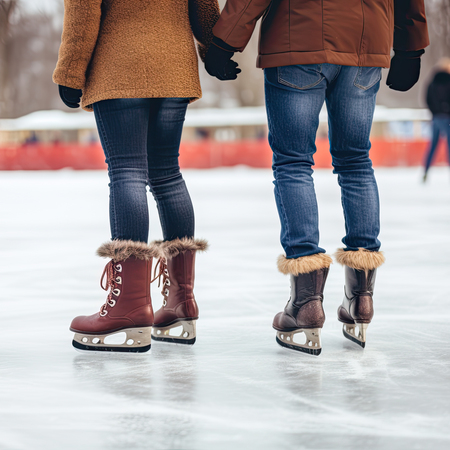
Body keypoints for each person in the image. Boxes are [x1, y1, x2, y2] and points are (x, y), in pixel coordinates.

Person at [205, 0, 429, 354]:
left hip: (298, 36)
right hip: (364, 40)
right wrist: (411, 45)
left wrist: (224, 41)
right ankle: (361, 297)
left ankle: (306, 302)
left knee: (293, 163)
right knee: (355, 161)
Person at [53, 0, 220, 352]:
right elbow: (204, 5)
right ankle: (181, 301)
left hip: (119, 66)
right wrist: (215, 47)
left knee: (127, 172)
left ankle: (129, 304)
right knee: (167, 174)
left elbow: (83, 9)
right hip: (174, 65)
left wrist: (70, 71)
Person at [423, 58, 450, 182]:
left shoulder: (432, 82)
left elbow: (427, 98)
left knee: (433, 145)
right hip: (447, 117)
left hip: (436, 118)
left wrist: (434, 112)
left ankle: (426, 170)